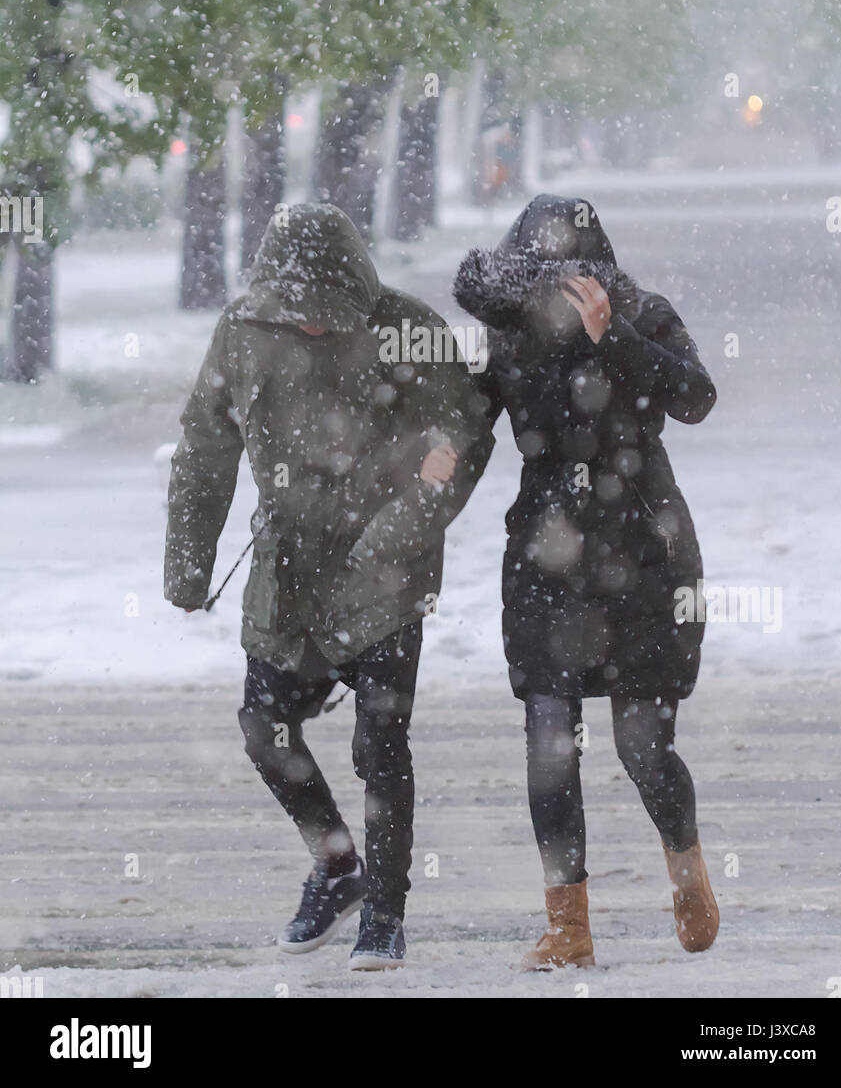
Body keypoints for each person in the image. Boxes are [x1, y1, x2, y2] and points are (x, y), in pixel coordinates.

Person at [165, 202, 492, 970]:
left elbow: (461, 437)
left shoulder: (406, 329)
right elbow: (205, 449)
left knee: (381, 741)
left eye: (326, 317)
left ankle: (385, 910)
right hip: (289, 569)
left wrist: (396, 534)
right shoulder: (242, 336)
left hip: (388, 571)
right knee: (264, 728)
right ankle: (338, 865)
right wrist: (188, 564)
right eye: (297, 316)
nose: (312, 328)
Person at [454, 193, 719, 969]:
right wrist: (419, 486)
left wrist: (617, 338)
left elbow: (696, 396)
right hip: (545, 555)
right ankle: (568, 927)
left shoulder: (640, 310)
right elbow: (466, 431)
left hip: (641, 549)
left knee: (643, 747)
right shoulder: (506, 333)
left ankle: (685, 865)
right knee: (549, 745)